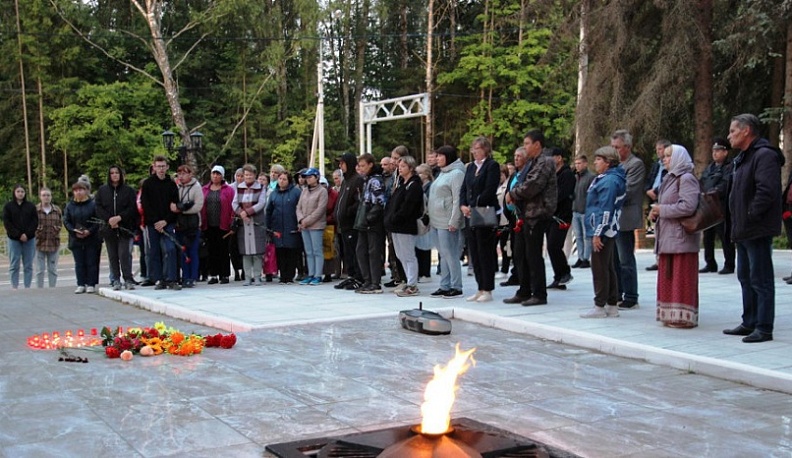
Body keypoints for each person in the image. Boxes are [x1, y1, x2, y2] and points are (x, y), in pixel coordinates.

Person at [723, 113, 783, 343]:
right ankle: (749, 321)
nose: (729, 136)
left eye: (733, 131)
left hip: (756, 228)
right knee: (745, 277)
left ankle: (764, 327)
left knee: (761, 279)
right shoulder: (743, 157)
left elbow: (766, 191)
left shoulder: (764, 155)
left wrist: (750, 215)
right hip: (743, 229)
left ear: (747, 131)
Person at [649, 145, 701, 328]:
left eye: (669, 156)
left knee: (681, 276)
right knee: (668, 276)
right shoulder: (669, 178)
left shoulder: (686, 178)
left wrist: (661, 210)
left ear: (679, 157)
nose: (664, 159)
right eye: (664, 156)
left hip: (681, 237)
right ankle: (670, 314)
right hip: (668, 236)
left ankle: (683, 317)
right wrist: (656, 212)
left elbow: (688, 206)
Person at [504, 131, 557, 306]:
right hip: (525, 214)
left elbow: (532, 186)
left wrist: (513, 193)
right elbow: (521, 181)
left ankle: (539, 293)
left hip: (538, 213)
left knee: (533, 255)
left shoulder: (545, 162)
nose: (525, 147)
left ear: (537, 144)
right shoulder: (532, 162)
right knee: (521, 254)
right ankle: (524, 290)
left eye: (527, 143)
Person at [580, 146, 626, 318]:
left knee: (599, 268)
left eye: (599, 159)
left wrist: (598, 232)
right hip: (606, 228)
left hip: (603, 229)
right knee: (608, 267)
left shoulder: (609, 181)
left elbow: (606, 209)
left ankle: (599, 305)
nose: (595, 162)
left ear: (608, 162)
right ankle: (612, 303)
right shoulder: (606, 178)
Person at [460, 136, 501, 303]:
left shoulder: (492, 166)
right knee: (474, 252)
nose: (474, 152)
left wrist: (475, 204)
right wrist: (463, 204)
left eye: (477, 149)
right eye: (473, 149)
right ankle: (479, 287)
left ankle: (488, 288)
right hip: (470, 214)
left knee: (485, 251)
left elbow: (490, 189)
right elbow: (464, 188)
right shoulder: (470, 168)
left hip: (484, 212)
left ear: (485, 149)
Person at [611, 129, 646, 310]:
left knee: (625, 259)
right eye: (613, 147)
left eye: (617, 147)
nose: (614, 150)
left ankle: (631, 295)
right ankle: (617, 293)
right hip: (613, 217)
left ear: (627, 146)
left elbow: (629, 189)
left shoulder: (635, 164)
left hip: (625, 217)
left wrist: (609, 192)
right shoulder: (615, 166)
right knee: (614, 259)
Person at [428, 145, 465, 298]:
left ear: (448, 157)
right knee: (443, 254)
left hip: (447, 220)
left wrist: (454, 220)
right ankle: (444, 285)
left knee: (451, 254)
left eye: (440, 156)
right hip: (436, 220)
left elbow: (457, 199)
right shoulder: (442, 173)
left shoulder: (456, 173)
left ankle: (456, 286)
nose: (437, 159)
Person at [385, 156, 425, 297]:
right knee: (400, 255)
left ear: (411, 168)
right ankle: (408, 281)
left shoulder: (414, 185)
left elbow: (408, 207)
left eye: (403, 166)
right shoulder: (402, 183)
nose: (400, 169)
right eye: (399, 166)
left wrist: (396, 217)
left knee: (409, 255)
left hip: (405, 225)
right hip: (396, 225)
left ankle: (413, 284)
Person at [140, 155, 181, 290]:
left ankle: (172, 278)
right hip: (152, 223)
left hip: (168, 222)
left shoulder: (171, 184)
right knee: (155, 251)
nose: (161, 169)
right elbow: (146, 205)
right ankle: (158, 279)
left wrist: (165, 221)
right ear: (154, 167)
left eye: (163, 166)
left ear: (167, 167)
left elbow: (175, 205)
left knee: (170, 249)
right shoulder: (148, 184)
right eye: (158, 166)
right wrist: (156, 222)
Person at [95, 166, 139, 291]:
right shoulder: (102, 190)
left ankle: (128, 278)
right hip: (109, 228)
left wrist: (120, 218)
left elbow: (132, 208)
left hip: (124, 227)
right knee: (112, 255)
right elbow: (98, 207)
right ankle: (115, 279)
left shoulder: (129, 190)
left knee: (124, 254)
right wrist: (109, 219)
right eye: (112, 173)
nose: (114, 175)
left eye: (117, 173)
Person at [699, 138, 735, 274]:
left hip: (721, 206)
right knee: (708, 236)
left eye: (718, 150)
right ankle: (710, 263)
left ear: (725, 152)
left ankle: (729, 264)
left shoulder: (729, 166)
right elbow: (702, 181)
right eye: (714, 150)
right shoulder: (710, 167)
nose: (715, 153)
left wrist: (713, 192)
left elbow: (726, 184)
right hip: (708, 207)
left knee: (725, 236)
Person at [355, 153, 387, 294]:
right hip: (364, 221)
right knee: (361, 251)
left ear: (370, 165)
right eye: (359, 166)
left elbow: (380, 201)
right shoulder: (366, 180)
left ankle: (375, 282)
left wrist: (369, 218)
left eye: (363, 166)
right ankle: (367, 280)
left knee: (373, 252)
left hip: (372, 222)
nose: (360, 169)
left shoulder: (375, 181)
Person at [233, 163, 268, 286]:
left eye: (250, 174)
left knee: (257, 252)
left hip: (256, 221)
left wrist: (248, 212)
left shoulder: (261, 187)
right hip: (244, 223)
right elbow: (235, 203)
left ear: (255, 175)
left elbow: (261, 203)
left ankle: (257, 276)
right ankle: (247, 277)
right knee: (246, 252)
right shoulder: (239, 187)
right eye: (246, 175)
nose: (248, 177)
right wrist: (241, 213)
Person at [333, 152, 365, 291]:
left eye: (342, 163)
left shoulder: (357, 180)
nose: (340, 166)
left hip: (352, 223)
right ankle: (351, 275)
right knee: (348, 252)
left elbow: (359, 201)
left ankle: (359, 277)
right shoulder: (346, 180)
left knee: (354, 251)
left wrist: (347, 212)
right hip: (343, 224)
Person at [545, 147, 575, 290]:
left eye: (551, 157)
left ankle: (565, 272)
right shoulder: (551, 175)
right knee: (551, 247)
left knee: (554, 245)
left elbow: (562, 194)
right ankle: (558, 277)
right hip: (550, 215)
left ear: (559, 158)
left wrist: (548, 200)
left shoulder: (567, 174)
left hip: (562, 216)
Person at [63, 181, 100, 294]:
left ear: (86, 191)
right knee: (79, 263)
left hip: (91, 237)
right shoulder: (70, 205)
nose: (78, 192)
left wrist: (89, 231)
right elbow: (66, 220)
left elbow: (98, 220)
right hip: (76, 238)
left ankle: (91, 284)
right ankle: (80, 284)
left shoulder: (93, 204)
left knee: (91, 261)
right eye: (76, 190)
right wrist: (73, 231)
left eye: (81, 190)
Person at [201, 165, 235, 285]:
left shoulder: (228, 190)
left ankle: (224, 274)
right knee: (211, 250)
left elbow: (233, 206)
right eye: (213, 174)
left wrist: (232, 221)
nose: (215, 176)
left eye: (218, 174)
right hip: (208, 224)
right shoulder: (205, 189)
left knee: (223, 250)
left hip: (223, 224)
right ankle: (213, 274)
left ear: (222, 176)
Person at [267, 171, 303, 284]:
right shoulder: (273, 194)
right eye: (280, 179)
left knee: (291, 252)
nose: (282, 181)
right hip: (277, 227)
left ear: (289, 181)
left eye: (284, 179)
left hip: (292, 226)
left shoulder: (296, 192)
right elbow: (269, 211)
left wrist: (300, 222)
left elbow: (301, 208)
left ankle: (290, 276)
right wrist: (269, 227)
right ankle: (283, 276)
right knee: (280, 252)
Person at [295, 168, 328, 286]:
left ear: (317, 177)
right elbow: (298, 207)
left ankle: (318, 275)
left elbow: (320, 209)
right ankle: (310, 273)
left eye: (310, 177)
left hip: (316, 225)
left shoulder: (322, 191)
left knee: (317, 250)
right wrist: (301, 219)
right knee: (308, 251)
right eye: (306, 177)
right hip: (304, 225)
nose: (307, 179)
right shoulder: (304, 191)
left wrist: (307, 221)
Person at [174, 164, 204, 288]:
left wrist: (182, 210)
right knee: (183, 251)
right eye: (179, 174)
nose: (181, 176)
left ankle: (193, 276)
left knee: (193, 251)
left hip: (192, 223)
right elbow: (174, 204)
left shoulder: (196, 187)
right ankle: (185, 276)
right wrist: (179, 208)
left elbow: (198, 206)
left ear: (190, 174)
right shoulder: (177, 187)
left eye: (184, 174)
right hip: (181, 224)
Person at [644, 139, 671, 271]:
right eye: (657, 149)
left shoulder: (670, 166)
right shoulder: (656, 165)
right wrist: (648, 190)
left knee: (664, 230)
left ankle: (665, 259)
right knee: (656, 230)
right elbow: (650, 179)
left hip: (663, 199)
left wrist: (656, 191)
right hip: (653, 197)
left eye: (660, 149)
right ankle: (658, 259)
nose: (658, 152)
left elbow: (666, 182)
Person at [3, 185, 38, 289]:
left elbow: (35, 222)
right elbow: (7, 223)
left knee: (28, 265)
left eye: (22, 191)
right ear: (14, 193)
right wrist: (18, 234)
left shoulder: (30, 206)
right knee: (14, 264)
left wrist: (27, 234)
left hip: (29, 239)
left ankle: (27, 286)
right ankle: (14, 286)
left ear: (25, 193)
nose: (20, 193)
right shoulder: (8, 207)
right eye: (18, 191)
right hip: (14, 239)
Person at [571, 154, 595, 269]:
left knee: (587, 236)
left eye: (579, 163)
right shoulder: (574, 177)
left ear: (585, 163)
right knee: (578, 236)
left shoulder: (591, 177)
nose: (577, 166)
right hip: (575, 210)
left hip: (586, 210)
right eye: (576, 164)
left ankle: (586, 257)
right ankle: (580, 257)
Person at [34, 187, 61, 288]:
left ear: (51, 197)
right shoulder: (35, 210)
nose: (46, 197)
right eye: (44, 195)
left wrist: (55, 231)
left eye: (48, 195)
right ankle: (39, 290)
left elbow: (60, 224)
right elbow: (31, 225)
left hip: (53, 243)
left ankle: (52, 289)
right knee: (39, 270)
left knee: (53, 269)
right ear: (40, 197)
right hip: (38, 244)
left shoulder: (57, 210)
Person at [414, 163, 434, 280]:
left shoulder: (430, 187)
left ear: (426, 174)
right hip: (420, 218)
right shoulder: (420, 186)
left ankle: (426, 272)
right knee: (419, 245)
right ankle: (421, 271)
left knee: (425, 246)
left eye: (420, 173)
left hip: (426, 218)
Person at [320, 176, 340, 282]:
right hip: (317, 224)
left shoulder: (334, 195)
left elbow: (335, 210)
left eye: (323, 184)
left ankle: (331, 273)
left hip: (330, 225)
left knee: (330, 250)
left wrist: (326, 219)